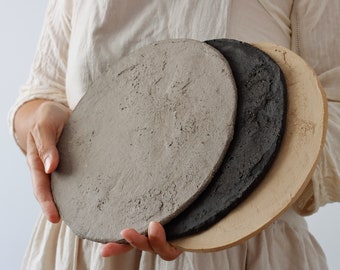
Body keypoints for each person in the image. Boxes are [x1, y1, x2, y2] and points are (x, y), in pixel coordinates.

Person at [8, 0, 340, 269]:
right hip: (88, 247)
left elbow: (335, 108)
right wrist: (40, 122)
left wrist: (221, 194)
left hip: (237, 252)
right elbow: (39, 94)